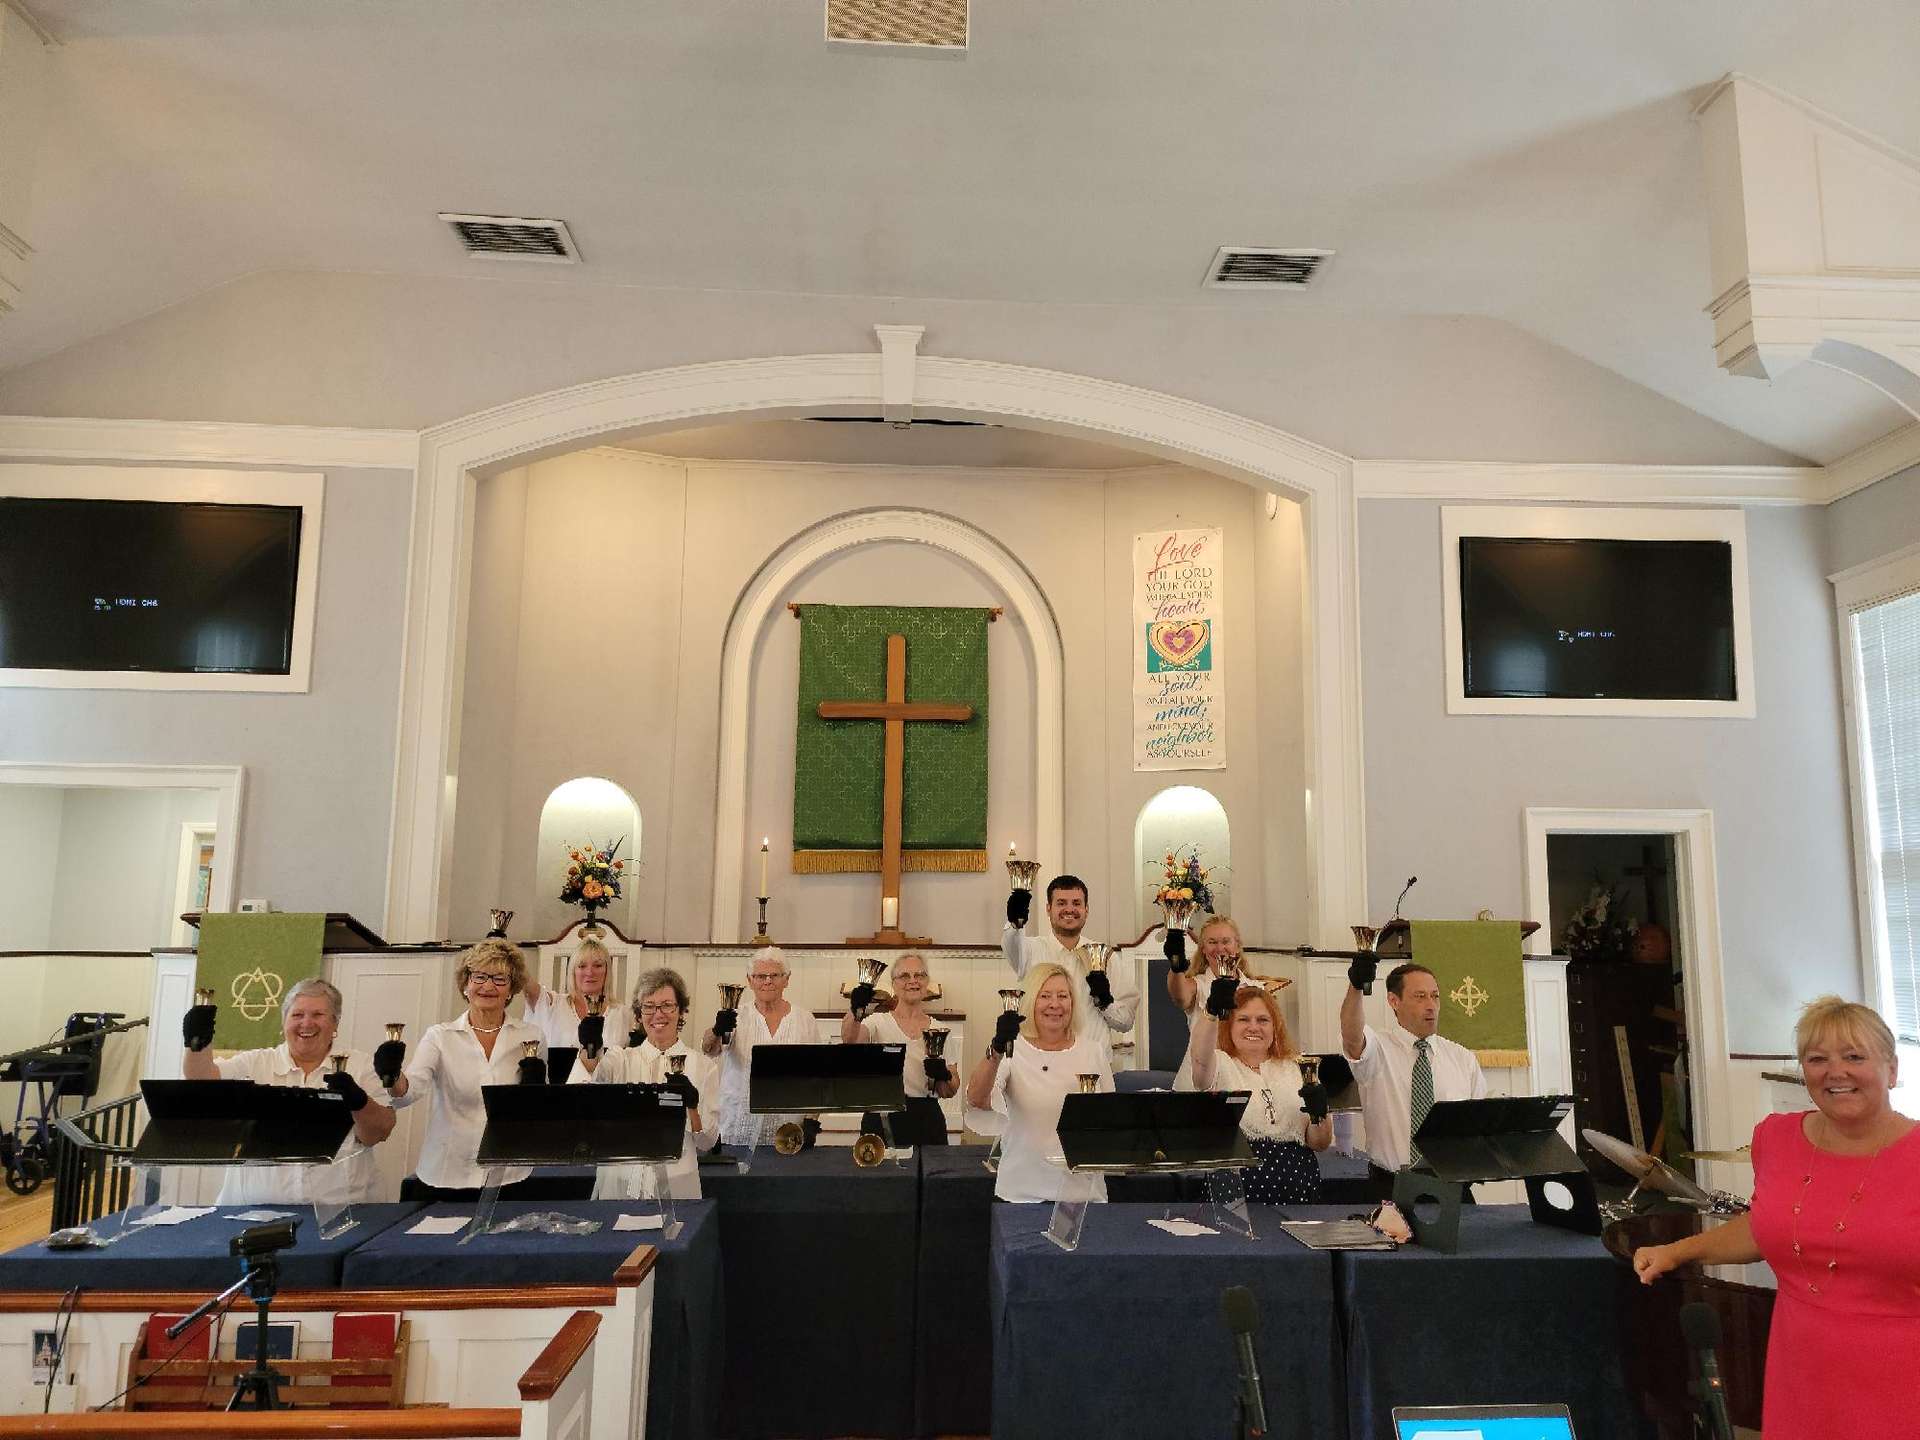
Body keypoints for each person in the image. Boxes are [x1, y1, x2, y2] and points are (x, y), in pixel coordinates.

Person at [1632, 996, 1918, 1439]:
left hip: (1902, 1379)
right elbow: (1769, 1228)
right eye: (1817, 1059)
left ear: (1892, 1070)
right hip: (1800, 1371)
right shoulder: (1777, 1138)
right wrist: (1676, 1251)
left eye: (1854, 1057)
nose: (1835, 1071)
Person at [181, 977, 397, 1205]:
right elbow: (201, 1079)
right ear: (284, 1023)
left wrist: (358, 1102)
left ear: (335, 1024)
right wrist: (197, 1042)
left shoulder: (361, 1066)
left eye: (318, 1015)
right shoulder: (256, 1063)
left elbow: (377, 1133)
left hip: (344, 1212)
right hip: (252, 1211)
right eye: (297, 1015)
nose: (306, 1023)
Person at [384, 938, 547, 1201]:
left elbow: (536, 1110)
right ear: (466, 984)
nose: (488, 986)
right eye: (480, 977)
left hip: (507, 1174)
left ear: (511, 988)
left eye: (499, 978)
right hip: (448, 1173)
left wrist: (536, 1091)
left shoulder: (531, 1036)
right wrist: (391, 1075)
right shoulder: (440, 1036)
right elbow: (409, 1091)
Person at [965, 962, 1113, 1203]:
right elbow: (977, 1099)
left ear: (1072, 1004)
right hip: (1022, 1192)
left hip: (1080, 1197)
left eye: (1063, 996)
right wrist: (997, 1047)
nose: (1055, 1004)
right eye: (1045, 996)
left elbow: (1110, 1121)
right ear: (1030, 1001)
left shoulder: (1093, 1052)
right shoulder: (1012, 1050)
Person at [1340, 957, 1487, 1198]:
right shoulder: (1378, 1049)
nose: (1431, 1005)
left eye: (1435, 996)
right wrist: (1356, 986)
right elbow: (1352, 1037)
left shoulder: (1463, 1059)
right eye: (1420, 997)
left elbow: (1478, 1125)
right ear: (1393, 1001)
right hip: (1391, 1188)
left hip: (1451, 1190)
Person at [570, 966, 718, 1200]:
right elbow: (582, 1095)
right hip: (620, 1184)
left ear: (681, 1011)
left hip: (676, 1185)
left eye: (667, 1005)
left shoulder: (702, 1066)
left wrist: (692, 1106)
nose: (658, 1014)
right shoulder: (619, 1059)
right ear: (639, 1015)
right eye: (649, 1006)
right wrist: (591, 1047)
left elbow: (706, 1142)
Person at [1181, 980, 1331, 1204]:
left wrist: (1320, 1114)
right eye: (1243, 1019)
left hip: (1299, 1188)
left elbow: (1320, 1143)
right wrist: (1212, 1011)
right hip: (1236, 1191)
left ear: (1275, 1027)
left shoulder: (1297, 1067)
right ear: (1229, 1025)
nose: (1254, 1027)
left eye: (1263, 1020)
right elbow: (1199, 1058)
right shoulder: (1219, 1064)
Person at [1002, 873, 1139, 1052]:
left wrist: (1105, 1002)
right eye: (1061, 903)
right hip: (1040, 1063)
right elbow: (1010, 942)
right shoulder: (1029, 949)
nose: (1069, 909)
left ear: (1086, 910)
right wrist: (1015, 920)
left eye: (1076, 903)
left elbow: (1126, 1022)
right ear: (1048, 909)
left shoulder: (1106, 957)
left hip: (1092, 1066)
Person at [703, 946, 822, 1146]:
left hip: (789, 1127)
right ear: (750, 980)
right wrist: (716, 1029)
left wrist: (811, 1120)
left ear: (787, 979)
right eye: (760, 976)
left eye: (774, 975)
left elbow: (817, 1075)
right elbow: (709, 1049)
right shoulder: (736, 1016)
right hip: (738, 1125)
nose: (767, 981)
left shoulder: (804, 1019)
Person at [842, 951, 959, 1145]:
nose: (913, 981)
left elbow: (949, 1091)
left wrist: (943, 1074)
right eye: (905, 976)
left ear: (926, 982)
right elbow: (850, 1041)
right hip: (882, 1116)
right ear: (894, 984)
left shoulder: (939, 1030)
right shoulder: (877, 1022)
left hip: (926, 1119)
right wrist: (856, 1008)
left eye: (919, 975)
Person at [1165, 914, 1246, 1088]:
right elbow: (1180, 996)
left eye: (1226, 941)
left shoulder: (1255, 988)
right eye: (1212, 942)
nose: (1220, 948)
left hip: (1239, 1077)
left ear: (1237, 946)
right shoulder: (1198, 985)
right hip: (1197, 1079)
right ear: (1203, 948)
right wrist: (1175, 965)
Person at [523, 937, 616, 1067]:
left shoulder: (623, 1014)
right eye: (582, 966)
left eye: (598, 965)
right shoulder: (552, 1005)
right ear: (572, 971)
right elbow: (524, 980)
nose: (589, 972)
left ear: (607, 971)